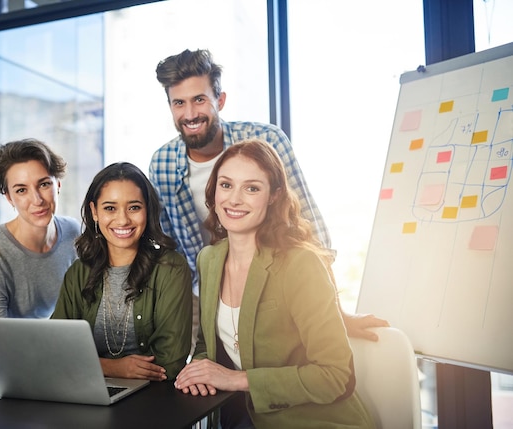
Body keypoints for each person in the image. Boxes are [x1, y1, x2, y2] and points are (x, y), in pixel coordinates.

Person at [150, 48, 387, 342]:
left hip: (274, 285)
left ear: (219, 100)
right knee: (205, 378)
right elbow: (170, 251)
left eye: (199, 99)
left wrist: (335, 310)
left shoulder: (266, 141)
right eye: (179, 103)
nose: (190, 114)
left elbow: (307, 226)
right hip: (207, 294)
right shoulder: (161, 164)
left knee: (283, 373)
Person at [174, 140, 375, 429]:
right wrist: (198, 370)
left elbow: (336, 376)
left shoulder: (299, 264)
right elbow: (210, 345)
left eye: (252, 188)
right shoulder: (209, 259)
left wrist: (237, 379)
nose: (234, 199)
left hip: (312, 420)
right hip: (242, 416)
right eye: (226, 185)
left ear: (274, 196)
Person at [51, 162, 192, 381]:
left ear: (148, 210)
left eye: (134, 207)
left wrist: (87, 365)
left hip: (152, 399)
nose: (123, 219)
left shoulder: (171, 269)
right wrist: (112, 368)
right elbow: (54, 350)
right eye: (110, 208)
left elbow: (170, 363)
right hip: (87, 392)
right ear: (94, 212)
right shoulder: (78, 273)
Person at [0, 138, 81, 319]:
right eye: (21, 190)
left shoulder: (73, 232)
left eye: (44, 184)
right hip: (0, 341)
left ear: (58, 185)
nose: (37, 200)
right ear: (9, 198)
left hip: (51, 337)